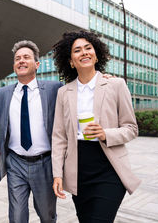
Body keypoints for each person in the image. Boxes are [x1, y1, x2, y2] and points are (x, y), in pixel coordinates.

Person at [51, 30, 141, 222]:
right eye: (77, 50)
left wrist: (105, 133)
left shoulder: (116, 85)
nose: (84, 52)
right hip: (78, 171)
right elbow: (59, 138)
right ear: (71, 61)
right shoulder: (63, 93)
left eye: (88, 48)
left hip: (109, 169)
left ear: (96, 54)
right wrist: (57, 174)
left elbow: (131, 128)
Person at [0, 40, 62, 223]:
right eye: (17, 58)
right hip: (15, 163)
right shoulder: (2, 93)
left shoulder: (54, 89)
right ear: (14, 65)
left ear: (37, 64)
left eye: (26, 57)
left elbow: (77, 93)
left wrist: (102, 77)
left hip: (45, 163)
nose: (21, 61)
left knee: (47, 215)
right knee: (17, 217)